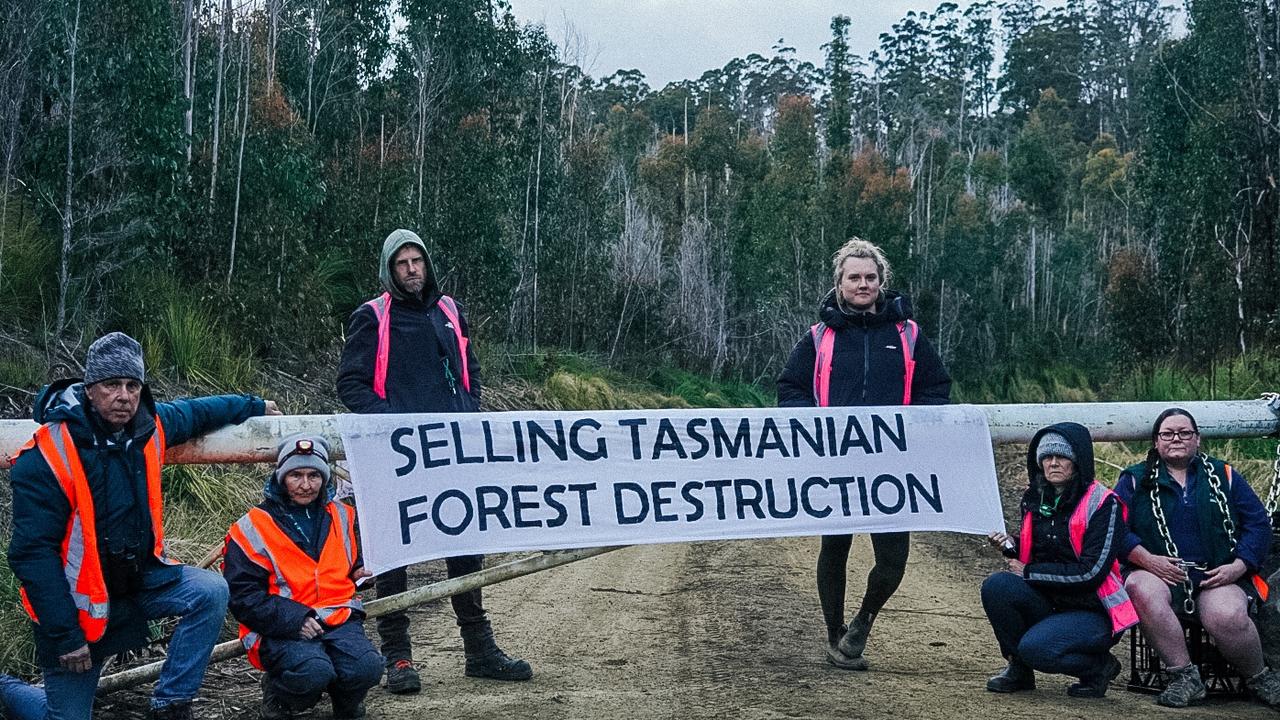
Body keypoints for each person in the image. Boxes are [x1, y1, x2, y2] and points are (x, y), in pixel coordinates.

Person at [0, 332, 281, 720]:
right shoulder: (46, 456)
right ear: (90, 389)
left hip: (138, 583)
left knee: (209, 590)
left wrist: (253, 405)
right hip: (76, 611)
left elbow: (197, 412)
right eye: (112, 384)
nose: (124, 395)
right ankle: (6, 689)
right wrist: (65, 636)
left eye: (133, 385)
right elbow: (32, 556)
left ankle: (169, 706)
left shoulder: (148, 426)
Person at [336, 229, 531, 693]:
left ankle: (480, 651)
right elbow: (351, 384)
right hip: (396, 457)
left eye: (416, 260)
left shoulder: (449, 311)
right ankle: (398, 659)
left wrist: (468, 409)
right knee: (393, 554)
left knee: (465, 550)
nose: (411, 269)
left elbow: (470, 369)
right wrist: (395, 426)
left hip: (452, 456)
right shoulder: (372, 318)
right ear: (389, 269)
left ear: (427, 264)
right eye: (401, 263)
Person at [776, 237, 951, 669]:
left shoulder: (908, 334)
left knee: (893, 560)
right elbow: (789, 389)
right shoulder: (819, 337)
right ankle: (835, 635)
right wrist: (814, 426)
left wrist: (913, 428)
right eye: (854, 277)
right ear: (840, 283)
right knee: (834, 548)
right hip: (834, 464)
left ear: (882, 281)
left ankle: (863, 621)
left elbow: (937, 388)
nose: (863, 284)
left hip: (894, 466)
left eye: (870, 277)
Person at [1116, 407, 1280, 709]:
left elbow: (1258, 524)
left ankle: (1260, 678)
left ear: (1197, 439)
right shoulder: (1134, 480)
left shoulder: (1224, 476)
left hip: (1216, 575)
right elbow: (1115, 529)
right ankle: (1185, 678)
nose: (1176, 439)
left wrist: (1239, 566)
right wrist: (1148, 560)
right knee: (1139, 587)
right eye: (1167, 434)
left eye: (1184, 433)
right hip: (1158, 573)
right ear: (1156, 442)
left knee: (1226, 615)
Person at [224, 434, 383, 720]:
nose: (306, 485)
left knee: (367, 667)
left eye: (314, 475)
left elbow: (350, 563)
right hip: (276, 625)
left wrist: (361, 574)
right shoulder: (252, 526)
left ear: (325, 478)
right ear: (281, 477)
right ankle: (279, 697)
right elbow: (242, 597)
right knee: (312, 672)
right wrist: (296, 619)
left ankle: (346, 703)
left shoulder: (344, 515)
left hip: (338, 617)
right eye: (296, 475)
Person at [981, 423, 1135, 697]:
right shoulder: (1035, 497)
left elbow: (1091, 572)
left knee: (1036, 649)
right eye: (1046, 457)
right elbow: (1042, 549)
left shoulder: (1104, 503)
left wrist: (1029, 572)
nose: (1053, 463)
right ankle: (1019, 670)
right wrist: (1011, 545)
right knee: (997, 586)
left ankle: (1098, 667)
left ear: (1078, 461)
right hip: (1051, 600)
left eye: (1062, 457)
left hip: (1094, 611)